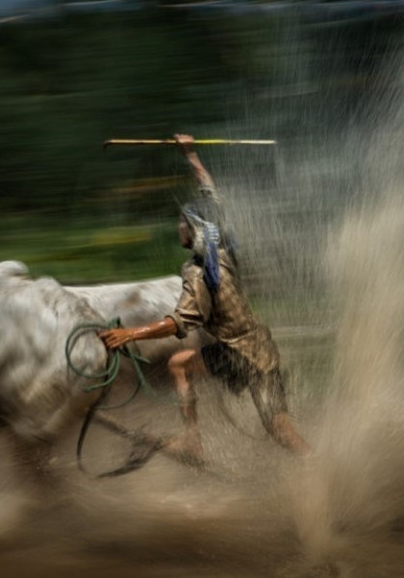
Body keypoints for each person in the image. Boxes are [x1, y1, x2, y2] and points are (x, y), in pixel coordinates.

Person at [98, 134, 310, 463]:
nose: (178, 227)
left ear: (194, 230)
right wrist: (191, 154)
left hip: (237, 354)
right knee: (281, 430)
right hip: (262, 350)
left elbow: (179, 322)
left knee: (178, 364)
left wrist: (129, 334)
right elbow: (212, 195)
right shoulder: (223, 250)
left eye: (182, 222)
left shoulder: (198, 273)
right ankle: (321, 467)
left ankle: (191, 440)